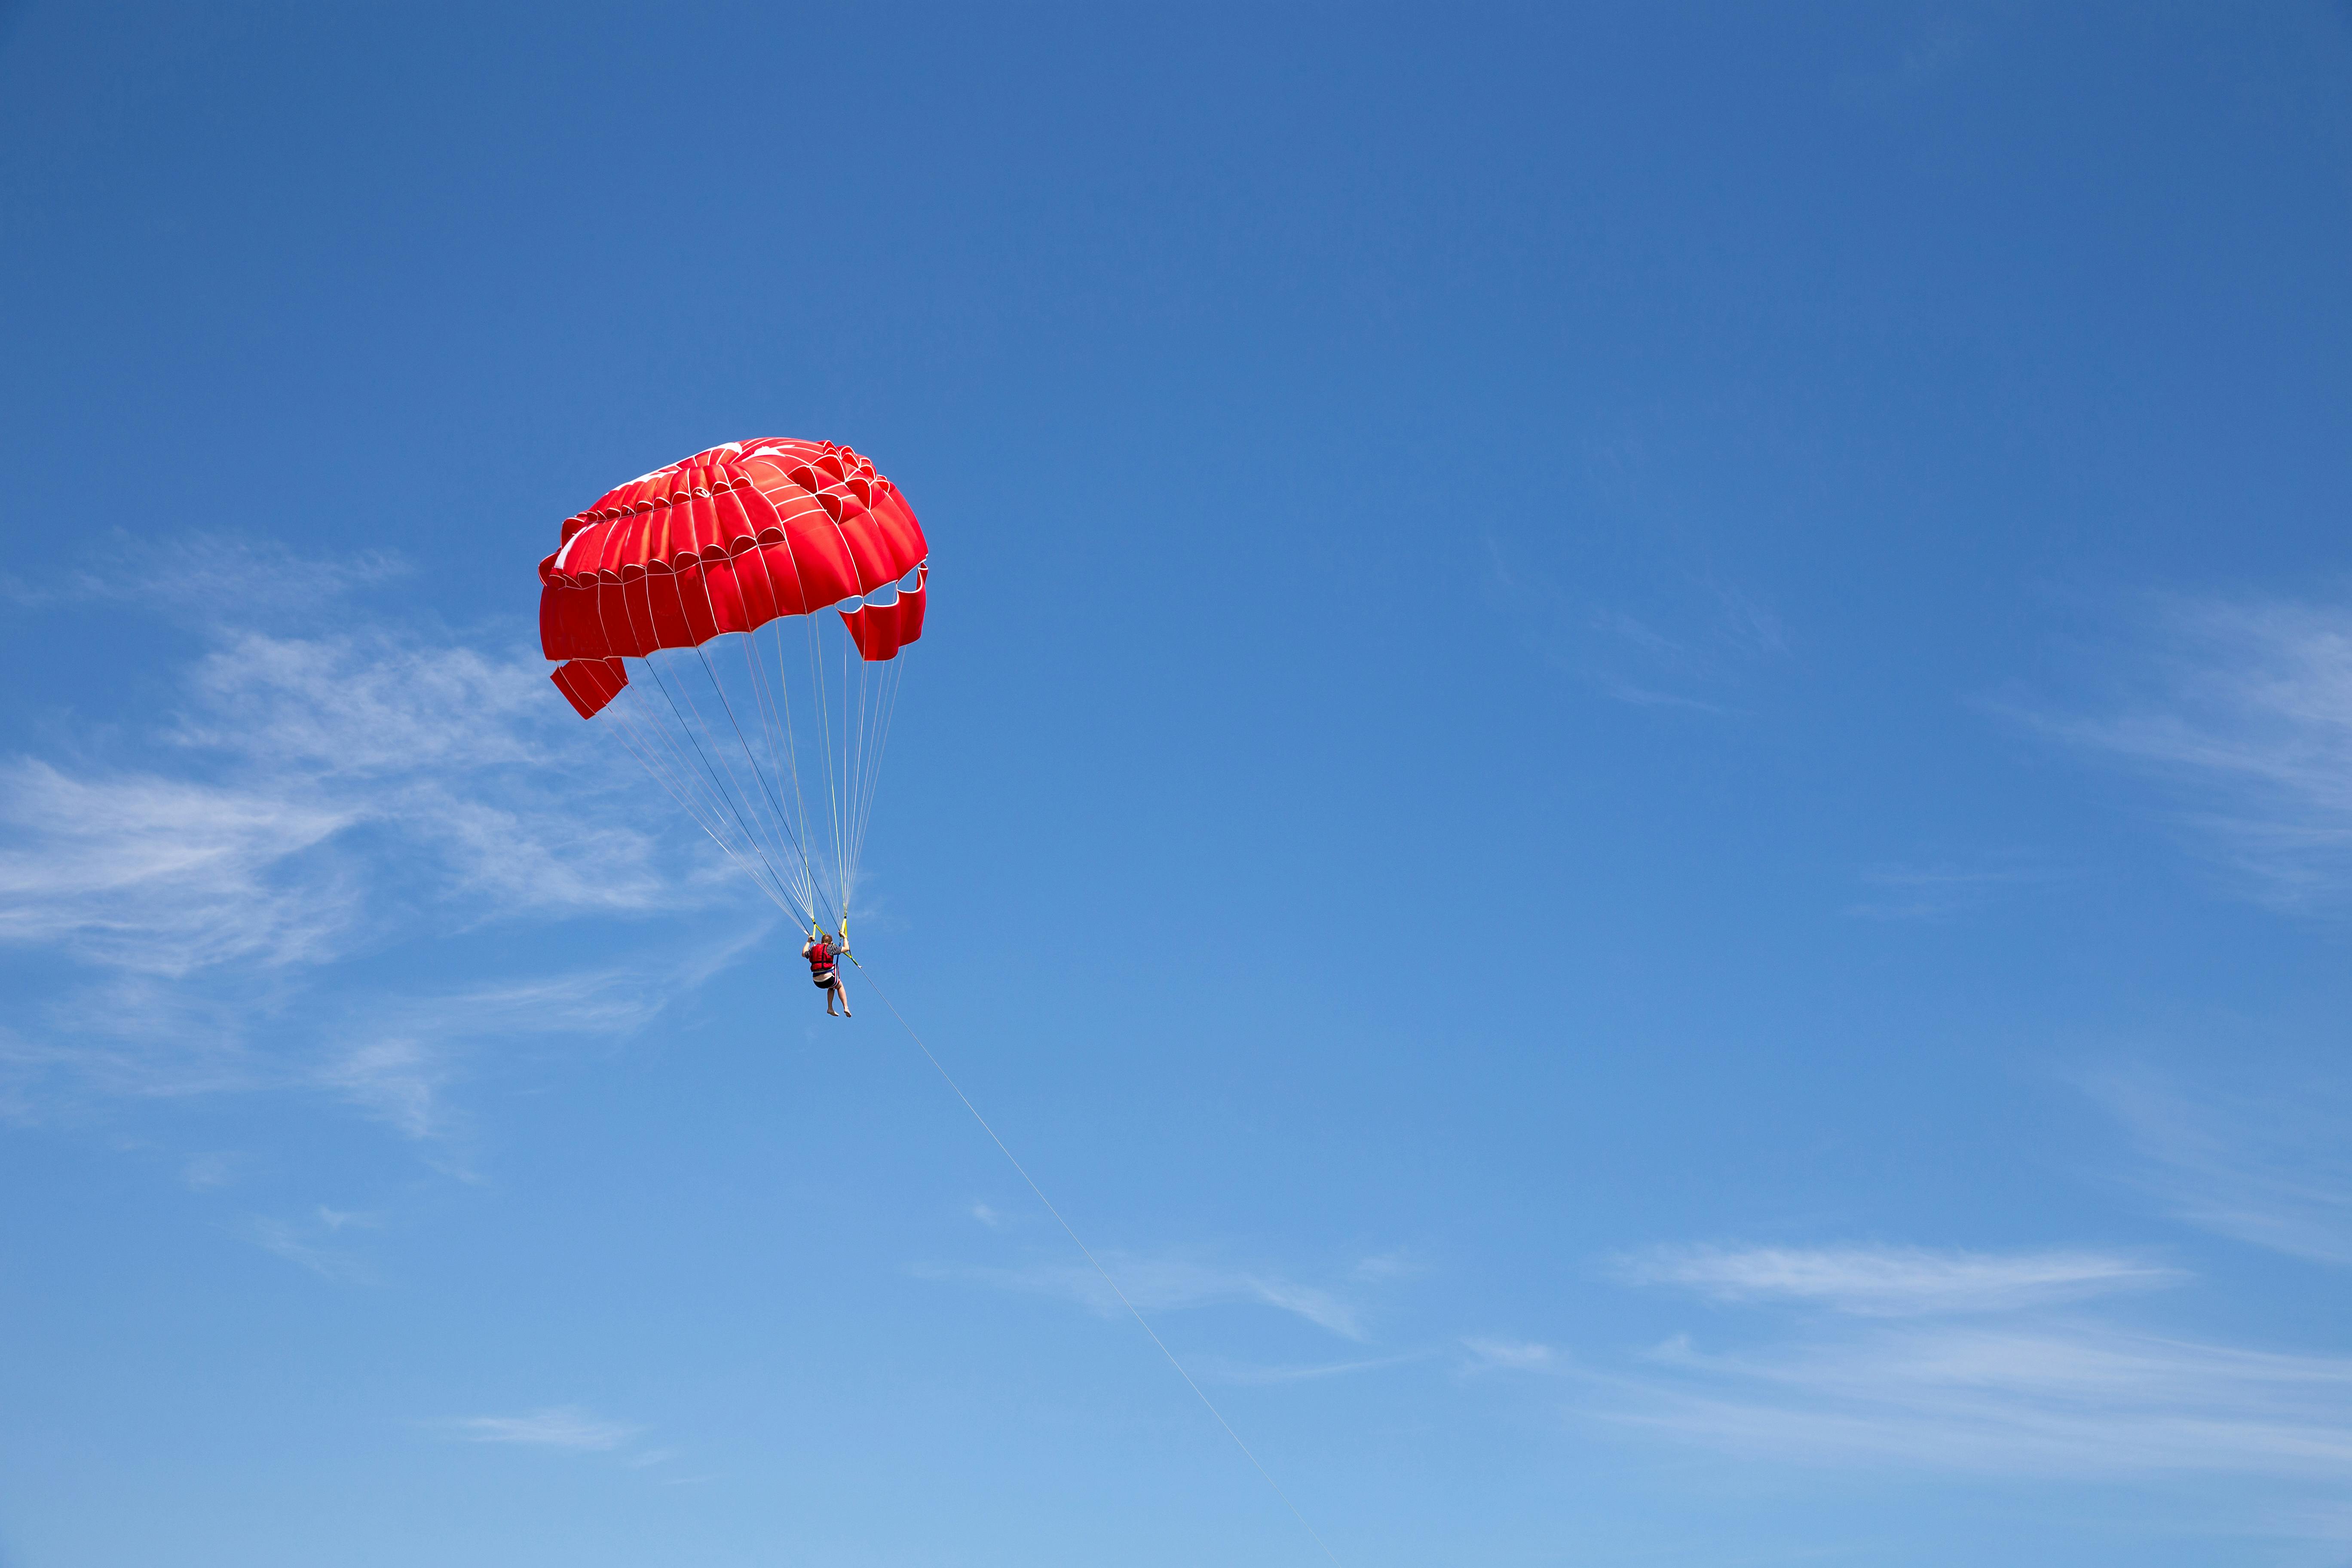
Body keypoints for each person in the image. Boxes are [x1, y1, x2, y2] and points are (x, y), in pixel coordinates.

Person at [802, 928, 851, 1017]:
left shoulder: (814, 948)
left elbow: (804, 954)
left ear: (821, 941)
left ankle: (830, 1008)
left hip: (817, 981)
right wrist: (844, 937)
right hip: (828, 978)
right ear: (831, 942)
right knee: (840, 986)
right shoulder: (831, 948)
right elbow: (847, 948)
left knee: (832, 988)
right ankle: (846, 1007)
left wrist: (809, 941)